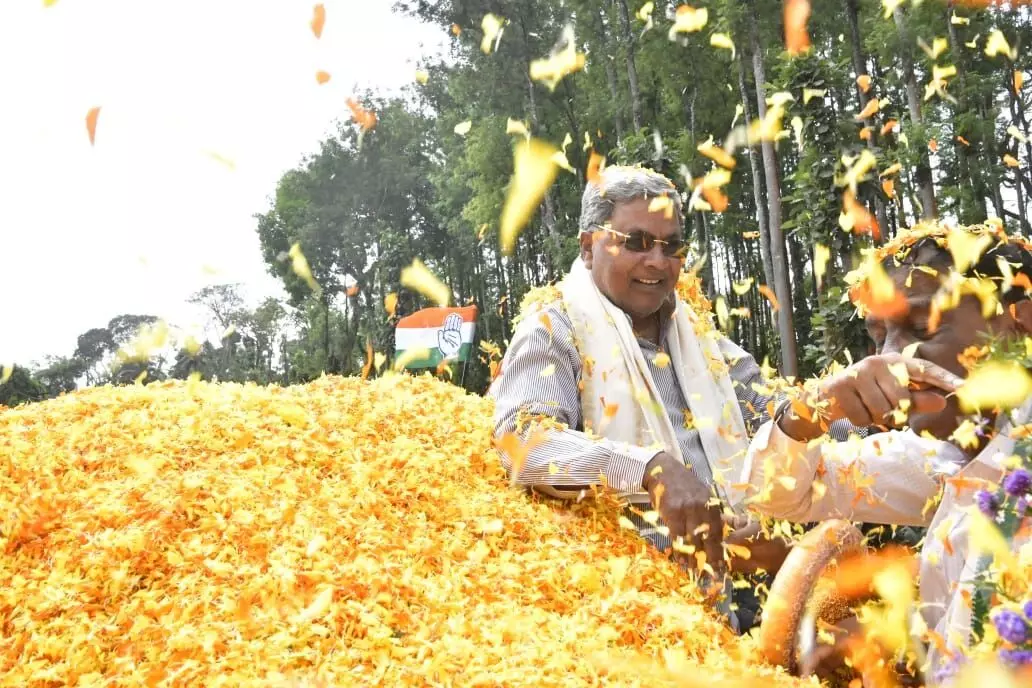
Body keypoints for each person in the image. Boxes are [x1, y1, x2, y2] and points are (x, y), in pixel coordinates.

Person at [490, 165, 789, 631]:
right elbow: (523, 441)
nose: (657, 261)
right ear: (589, 248)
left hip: (734, 596)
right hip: (621, 611)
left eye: (671, 247)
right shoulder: (555, 331)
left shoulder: (699, 336)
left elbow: (776, 413)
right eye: (635, 242)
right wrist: (650, 468)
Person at [741, 221, 1032, 682]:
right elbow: (776, 494)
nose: (893, 360)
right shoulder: (945, 455)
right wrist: (810, 410)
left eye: (922, 326)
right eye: (878, 339)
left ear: (1022, 322)